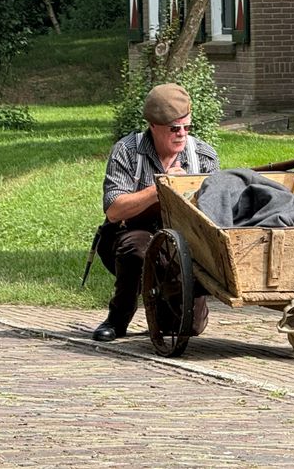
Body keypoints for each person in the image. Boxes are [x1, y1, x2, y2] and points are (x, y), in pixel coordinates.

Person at [92, 83, 219, 342]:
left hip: (184, 238)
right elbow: (114, 210)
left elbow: (216, 209)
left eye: (187, 127)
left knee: (188, 327)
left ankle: (164, 309)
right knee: (136, 249)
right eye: (174, 129)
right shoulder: (127, 151)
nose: (182, 134)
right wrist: (160, 188)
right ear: (153, 125)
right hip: (132, 232)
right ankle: (117, 319)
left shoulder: (203, 155)